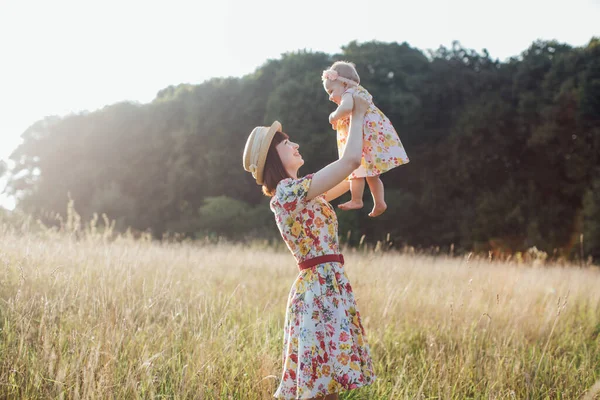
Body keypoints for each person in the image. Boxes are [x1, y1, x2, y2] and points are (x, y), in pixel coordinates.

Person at [242, 94, 376, 399]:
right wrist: (355, 113)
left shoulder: (305, 193)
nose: (296, 145)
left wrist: (356, 123)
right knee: (320, 388)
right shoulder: (287, 194)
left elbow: (355, 169)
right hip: (317, 291)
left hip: (329, 286)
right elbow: (351, 162)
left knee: (328, 387)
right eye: (287, 144)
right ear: (273, 158)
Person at [322, 61, 410, 217]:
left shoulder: (349, 94)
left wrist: (333, 116)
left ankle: (356, 199)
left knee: (355, 169)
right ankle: (380, 202)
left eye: (330, 91)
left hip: (362, 137)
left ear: (343, 83)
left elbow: (347, 107)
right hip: (371, 137)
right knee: (372, 175)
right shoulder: (359, 92)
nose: (330, 97)